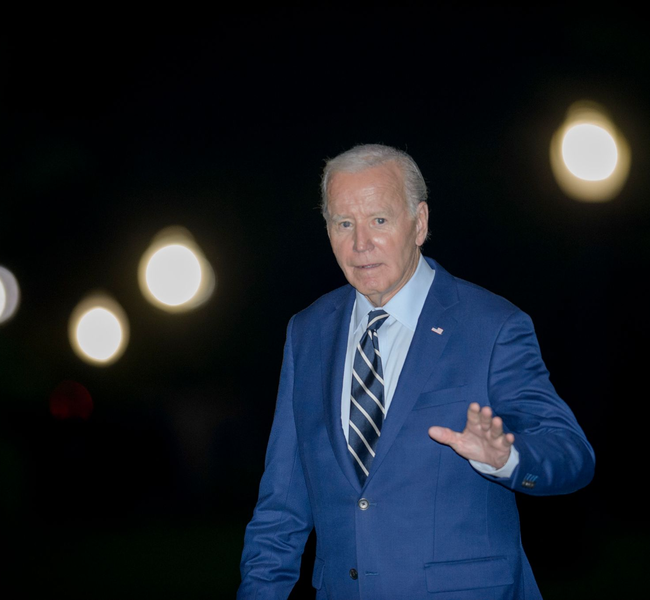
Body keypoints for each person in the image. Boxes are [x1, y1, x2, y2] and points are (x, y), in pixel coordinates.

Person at [238, 144, 594, 599]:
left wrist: (506, 457)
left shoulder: (492, 325)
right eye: (344, 223)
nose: (360, 243)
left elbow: (573, 455)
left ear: (419, 222)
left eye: (379, 221)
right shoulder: (307, 332)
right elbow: (281, 506)